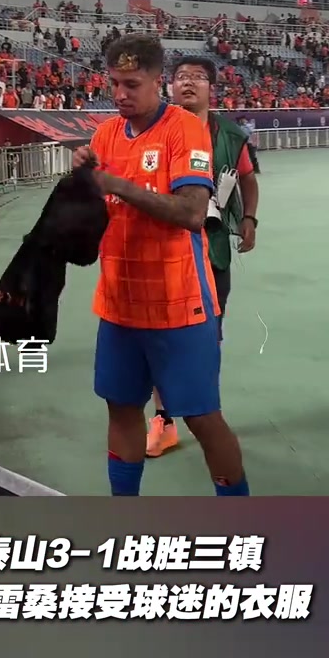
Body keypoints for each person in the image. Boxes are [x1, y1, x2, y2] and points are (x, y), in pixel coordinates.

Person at [73, 35, 249, 498]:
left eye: (131, 84)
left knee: (202, 418)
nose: (120, 94)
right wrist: (82, 180)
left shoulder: (184, 129)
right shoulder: (105, 134)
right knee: (121, 408)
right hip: (119, 305)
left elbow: (192, 213)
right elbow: (97, 212)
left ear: (158, 81)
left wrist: (116, 184)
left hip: (180, 306)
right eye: (114, 83)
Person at [145, 57, 260, 458]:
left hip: (213, 249)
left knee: (209, 335)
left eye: (198, 77)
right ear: (169, 87)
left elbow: (247, 177)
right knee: (160, 335)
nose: (188, 83)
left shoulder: (230, 135)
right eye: (181, 77)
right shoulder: (153, 129)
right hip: (162, 247)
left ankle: (207, 410)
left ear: (212, 87)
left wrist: (249, 217)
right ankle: (163, 420)